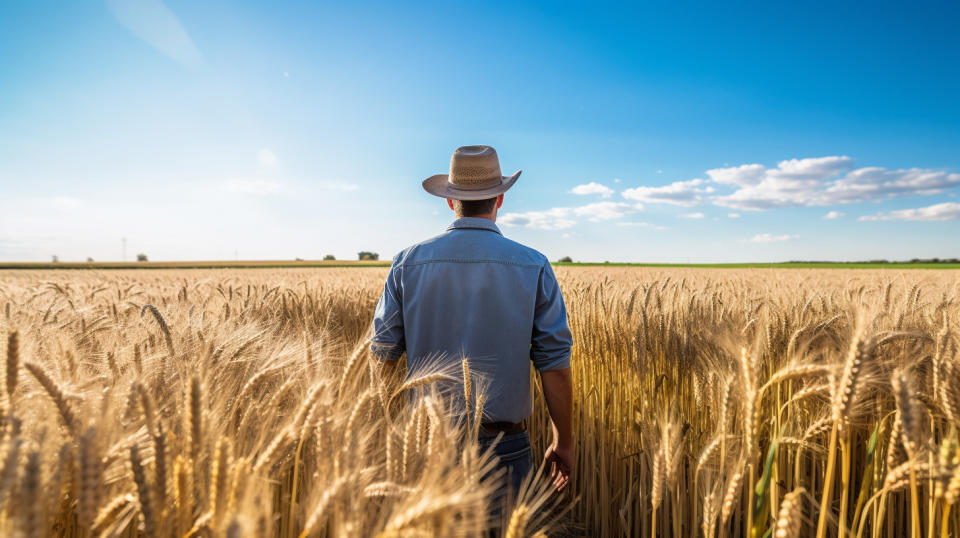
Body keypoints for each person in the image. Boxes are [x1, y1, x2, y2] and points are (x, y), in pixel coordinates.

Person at [370, 145, 575, 500]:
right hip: (504, 446)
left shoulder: (406, 263)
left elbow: (382, 357)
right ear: (500, 198)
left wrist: (386, 434)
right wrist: (564, 441)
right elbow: (554, 365)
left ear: (450, 201)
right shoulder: (533, 264)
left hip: (426, 442)